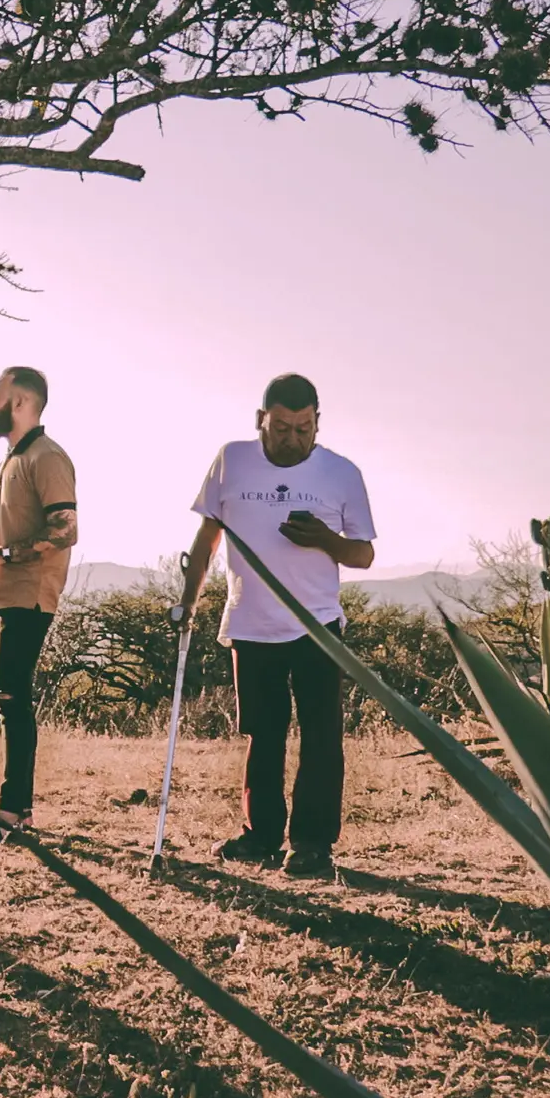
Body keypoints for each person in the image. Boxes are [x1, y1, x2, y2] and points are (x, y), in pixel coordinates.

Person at [176, 373, 377, 879]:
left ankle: (311, 845)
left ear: (317, 423)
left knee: (321, 737)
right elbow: (208, 536)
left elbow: (364, 554)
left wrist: (325, 540)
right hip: (251, 621)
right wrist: (188, 602)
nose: (293, 439)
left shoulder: (341, 473)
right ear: (260, 421)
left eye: (304, 428)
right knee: (262, 735)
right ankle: (261, 836)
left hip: (317, 625)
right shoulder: (232, 460)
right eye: (282, 428)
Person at [0, 367, 79, 843]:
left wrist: (3, 556)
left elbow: (66, 530)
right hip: (1, 597)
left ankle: (10, 813)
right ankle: (18, 810)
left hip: (27, 597)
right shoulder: (16, 456)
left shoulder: (47, 457)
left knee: (13, 701)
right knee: (6, 700)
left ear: (23, 403)